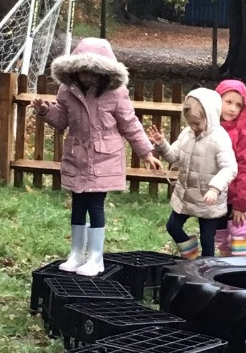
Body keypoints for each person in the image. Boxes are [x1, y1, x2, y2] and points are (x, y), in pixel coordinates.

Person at [31, 37, 160, 276]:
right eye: (82, 71)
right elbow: (61, 120)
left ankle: (96, 257)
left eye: (93, 72)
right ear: (73, 69)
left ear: (104, 72)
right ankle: (76, 253)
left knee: (95, 205)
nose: (87, 77)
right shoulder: (67, 90)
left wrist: (146, 153)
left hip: (104, 158)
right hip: (77, 156)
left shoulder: (116, 93)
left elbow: (129, 123)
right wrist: (45, 111)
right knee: (78, 205)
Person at [147, 87, 237, 258]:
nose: (193, 127)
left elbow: (230, 167)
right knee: (173, 226)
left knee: (207, 239)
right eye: (190, 123)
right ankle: (192, 257)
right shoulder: (187, 134)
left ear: (210, 117)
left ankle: (207, 268)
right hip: (186, 195)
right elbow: (174, 156)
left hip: (209, 200)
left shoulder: (219, 139)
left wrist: (215, 189)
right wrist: (162, 145)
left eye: (197, 124)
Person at [213, 79, 246, 256]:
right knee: (220, 232)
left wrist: (241, 204)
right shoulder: (209, 129)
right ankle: (225, 264)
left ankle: (239, 264)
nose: (232, 109)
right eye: (228, 102)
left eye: (238, 105)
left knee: (238, 228)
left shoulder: (242, 135)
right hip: (219, 191)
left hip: (238, 191)